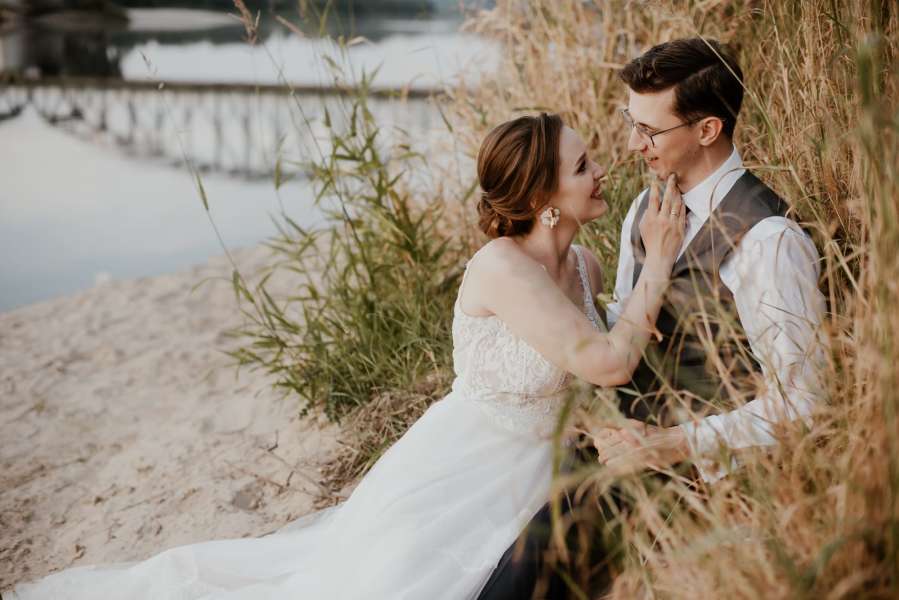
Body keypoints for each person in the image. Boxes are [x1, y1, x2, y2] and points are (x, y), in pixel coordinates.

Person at [7, 113, 686, 599]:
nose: (600, 171)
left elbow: (589, 370)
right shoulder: (502, 269)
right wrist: (656, 263)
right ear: (541, 197)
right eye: (582, 166)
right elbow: (607, 362)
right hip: (468, 467)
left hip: (540, 468)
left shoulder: (585, 267)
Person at [478, 37, 827, 599]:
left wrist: (674, 444)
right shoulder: (643, 212)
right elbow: (624, 333)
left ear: (707, 130)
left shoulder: (768, 241)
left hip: (704, 477)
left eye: (649, 130)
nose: (632, 144)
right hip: (612, 463)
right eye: (630, 122)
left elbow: (805, 403)